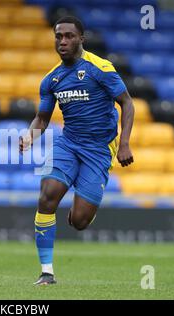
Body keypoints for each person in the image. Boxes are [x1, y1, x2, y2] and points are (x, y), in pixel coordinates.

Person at [19, 16, 134, 285]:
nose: (63, 41)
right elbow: (43, 118)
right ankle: (47, 272)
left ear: (81, 38)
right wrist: (30, 136)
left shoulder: (100, 68)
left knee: (79, 221)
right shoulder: (51, 80)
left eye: (69, 36)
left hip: (98, 149)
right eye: (58, 36)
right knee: (47, 195)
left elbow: (127, 104)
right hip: (68, 143)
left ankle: (83, 207)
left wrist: (125, 143)